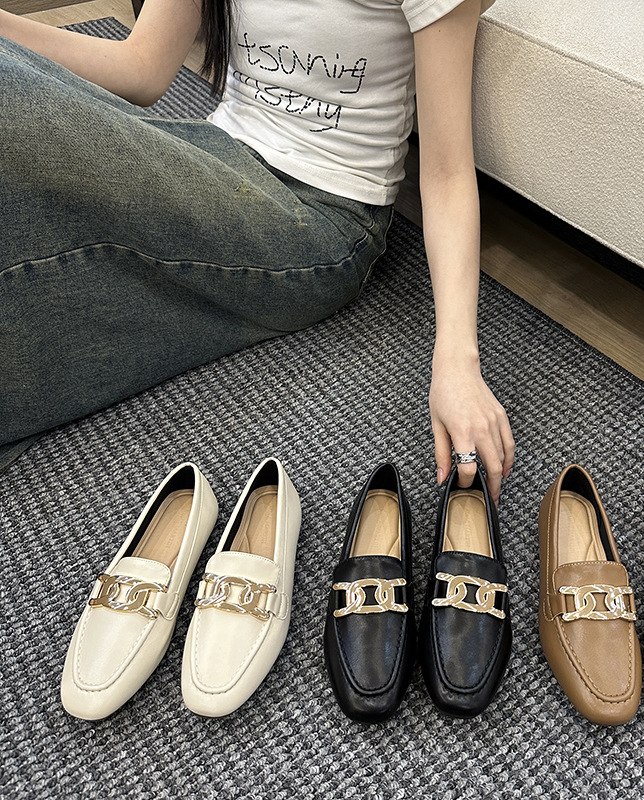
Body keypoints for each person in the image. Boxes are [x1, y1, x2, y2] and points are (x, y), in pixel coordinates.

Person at [0, 0, 514, 502]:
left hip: (319, 213)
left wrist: (458, 364)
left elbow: (447, 174)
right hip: (216, 151)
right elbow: (139, 68)